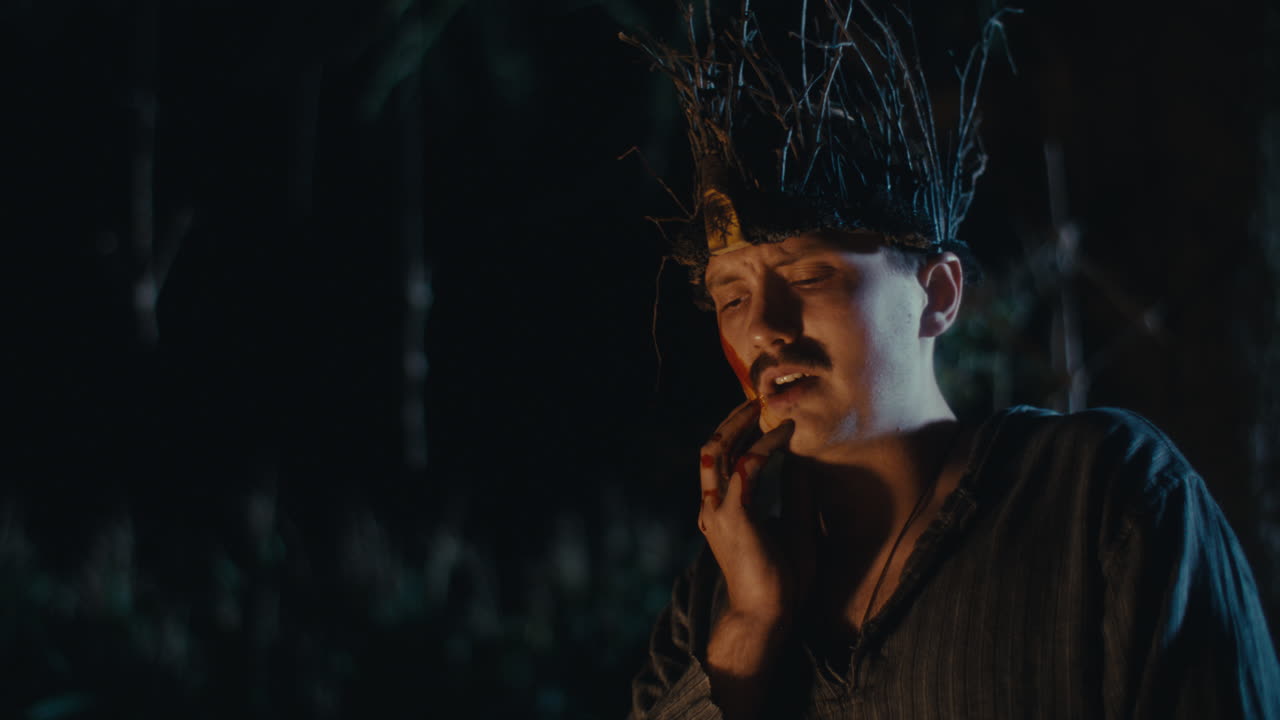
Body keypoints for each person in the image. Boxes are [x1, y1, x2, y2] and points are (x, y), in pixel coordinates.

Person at [622, 3, 1280, 718]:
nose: (762, 329)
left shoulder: (1100, 499)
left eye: (810, 275)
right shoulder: (712, 600)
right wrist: (750, 631)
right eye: (731, 296)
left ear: (936, 295)